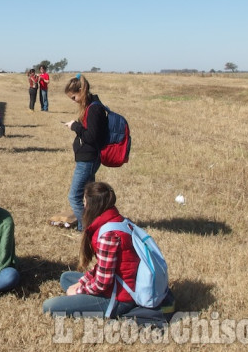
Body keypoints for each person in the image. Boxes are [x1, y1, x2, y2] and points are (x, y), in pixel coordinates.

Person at [43, 182, 174, 324]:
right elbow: (104, 268)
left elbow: (102, 283)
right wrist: (83, 281)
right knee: (66, 278)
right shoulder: (118, 220)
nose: (83, 207)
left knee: (50, 306)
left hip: (120, 298)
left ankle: (122, 309)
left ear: (93, 206)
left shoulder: (108, 236)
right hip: (123, 284)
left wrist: (80, 290)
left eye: (85, 202)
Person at [64, 74, 109, 231]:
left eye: (74, 97)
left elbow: (91, 136)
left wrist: (75, 126)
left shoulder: (94, 109)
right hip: (86, 158)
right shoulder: (91, 106)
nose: (74, 101)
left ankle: (86, 229)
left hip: (88, 160)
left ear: (81, 91)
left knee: (74, 197)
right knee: (89, 197)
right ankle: (93, 225)